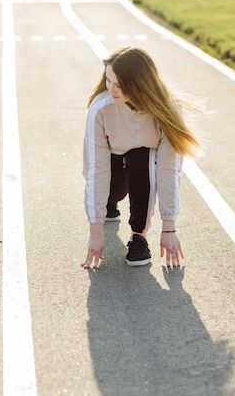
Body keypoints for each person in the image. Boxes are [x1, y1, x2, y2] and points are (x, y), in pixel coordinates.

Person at [81, 46, 201, 269]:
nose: (111, 89)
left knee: (143, 156)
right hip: (111, 166)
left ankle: (139, 237)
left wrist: (169, 228)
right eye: (108, 81)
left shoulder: (167, 110)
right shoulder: (100, 108)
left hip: (141, 166)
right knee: (109, 193)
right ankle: (109, 205)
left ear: (139, 85)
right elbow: (96, 169)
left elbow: (168, 170)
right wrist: (95, 231)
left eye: (119, 85)